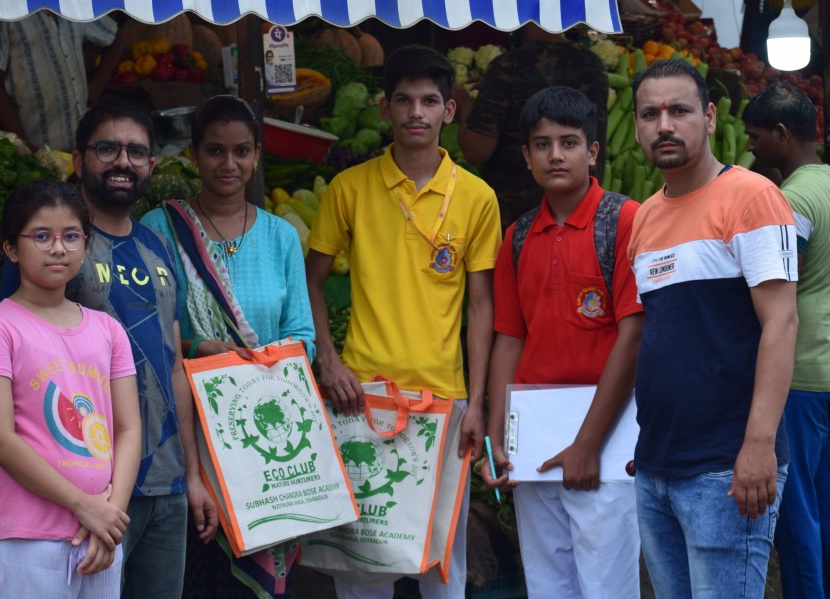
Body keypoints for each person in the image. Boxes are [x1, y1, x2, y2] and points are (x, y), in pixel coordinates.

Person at [0, 97, 219, 598]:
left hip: (165, 485)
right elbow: (19, 368)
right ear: (78, 160)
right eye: (108, 149)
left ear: (151, 165)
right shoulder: (53, 250)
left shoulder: (158, 246)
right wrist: (76, 496)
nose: (123, 161)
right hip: (87, 490)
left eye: (136, 152)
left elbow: (174, 366)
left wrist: (192, 474)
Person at [305, 45, 501, 598]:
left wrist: (477, 402)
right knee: (363, 562)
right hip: (362, 395)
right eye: (404, 100)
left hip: (444, 398)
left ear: (449, 110)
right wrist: (329, 360)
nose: (417, 112)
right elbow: (311, 280)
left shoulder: (477, 197)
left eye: (429, 101)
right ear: (384, 107)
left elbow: (481, 306)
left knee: (442, 560)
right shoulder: (349, 187)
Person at [628, 59, 798, 598]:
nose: (664, 125)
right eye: (650, 114)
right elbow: (664, 335)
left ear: (708, 116)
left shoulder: (751, 197)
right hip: (656, 466)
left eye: (679, 111)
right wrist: (646, 442)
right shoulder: (644, 217)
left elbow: (782, 321)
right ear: (637, 126)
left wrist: (758, 446)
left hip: (726, 469)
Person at [140, 94, 316, 598]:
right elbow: (147, 335)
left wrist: (256, 369)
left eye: (241, 151)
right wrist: (199, 348)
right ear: (194, 155)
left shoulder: (281, 237)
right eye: (215, 151)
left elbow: (303, 337)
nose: (228, 164)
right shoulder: (159, 230)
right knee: (194, 573)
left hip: (261, 434)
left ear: (256, 155)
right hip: (183, 434)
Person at [482, 86, 642, 599]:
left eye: (569, 142)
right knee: (547, 584)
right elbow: (509, 340)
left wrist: (588, 444)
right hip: (533, 435)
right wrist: (498, 438)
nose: (555, 155)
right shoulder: (518, 236)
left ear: (592, 152)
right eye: (542, 144)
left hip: (608, 437)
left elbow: (634, 335)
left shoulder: (624, 221)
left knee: (606, 585)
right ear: (526, 156)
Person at [0, 178, 142, 597]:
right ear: (12, 248)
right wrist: (84, 505)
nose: (58, 248)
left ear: (85, 244)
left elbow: (129, 429)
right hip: (25, 540)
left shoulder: (108, 330)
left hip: (99, 537)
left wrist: (110, 516)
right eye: (41, 236)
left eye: (71, 236)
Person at [742, 83, 830, 599]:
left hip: (801, 376)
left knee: (797, 520)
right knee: (824, 509)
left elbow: (779, 282)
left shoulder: (792, 200)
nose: (750, 147)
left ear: (781, 134)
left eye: (756, 137)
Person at [453, 23, 608, 230]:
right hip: (581, 211)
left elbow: (476, 151)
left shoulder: (508, 66)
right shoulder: (593, 65)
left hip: (517, 212)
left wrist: (464, 106)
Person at [0, 11, 129, 152]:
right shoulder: (0, 11)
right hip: (36, 145)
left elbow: (116, 36)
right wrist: (24, 144)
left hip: (82, 141)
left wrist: (97, 84)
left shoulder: (72, 6)